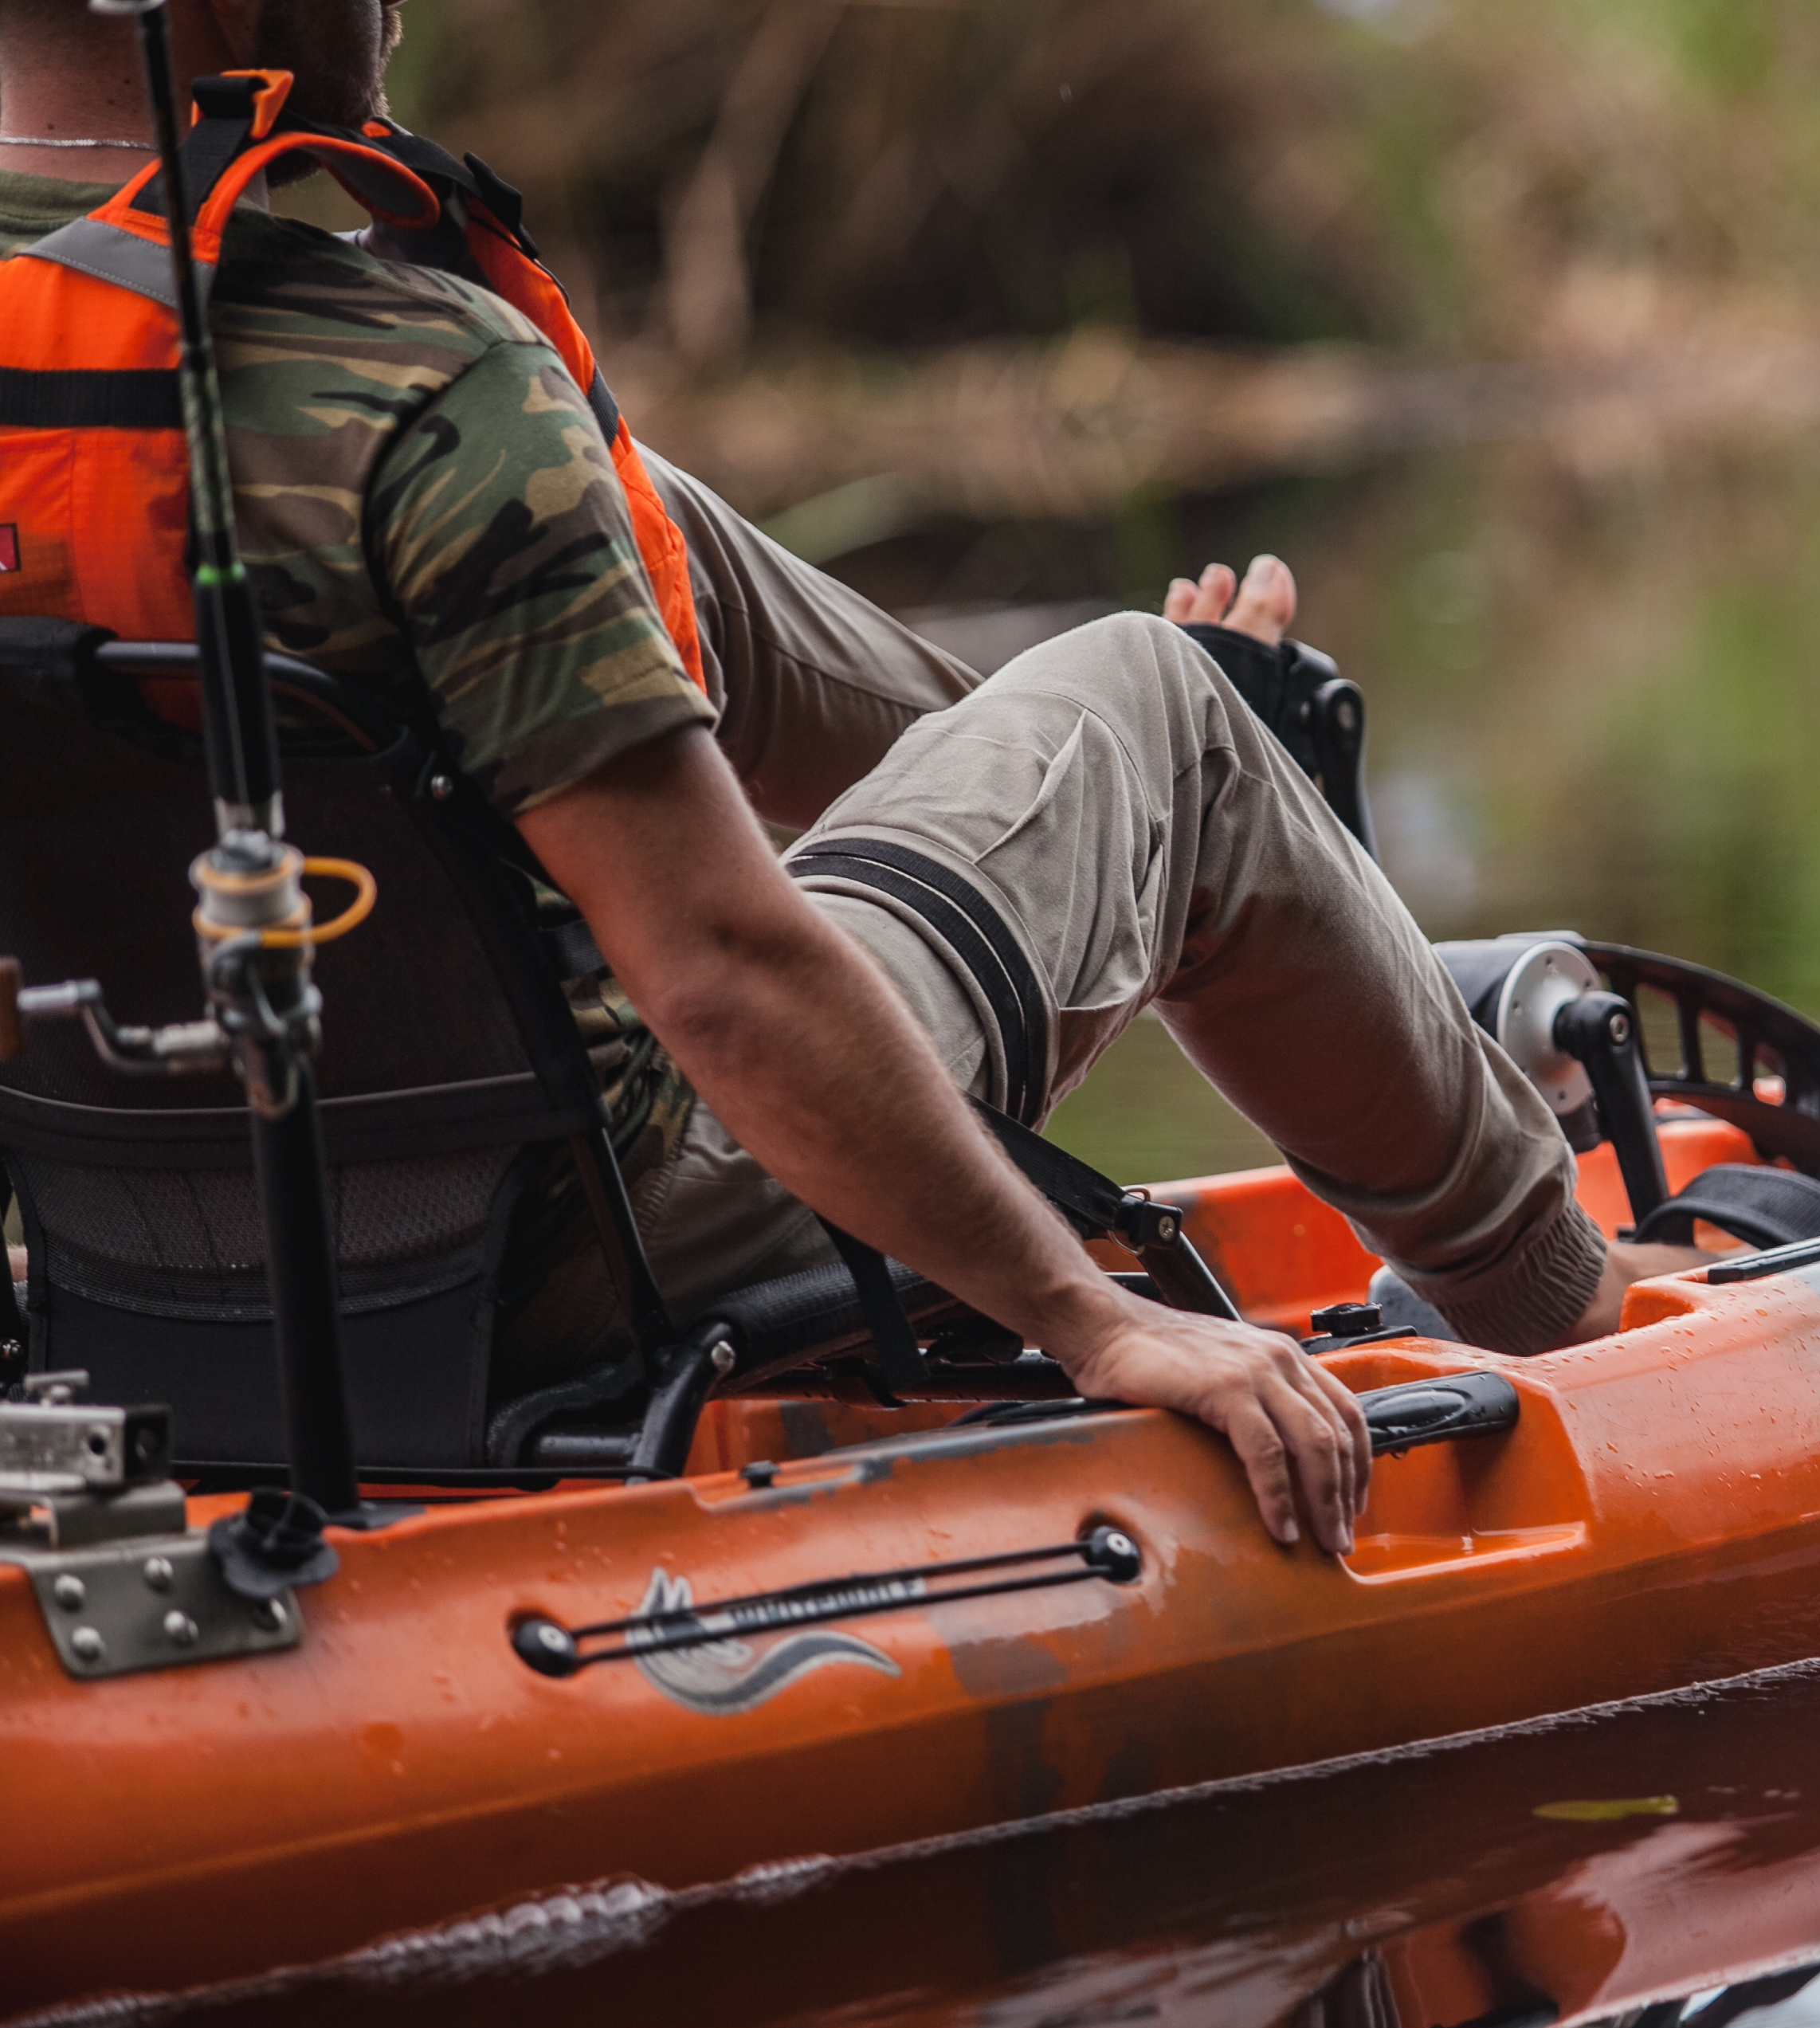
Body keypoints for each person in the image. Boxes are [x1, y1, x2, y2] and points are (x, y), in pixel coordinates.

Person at [0, 0, 1702, 1555]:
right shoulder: (428, 384)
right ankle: (1554, 1285)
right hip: (577, 1237)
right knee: (1160, 698)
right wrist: (1089, 1318)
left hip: (121, 1237)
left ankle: (1197, 850)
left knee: (632, 509)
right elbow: (722, 985)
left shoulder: (383, 401)